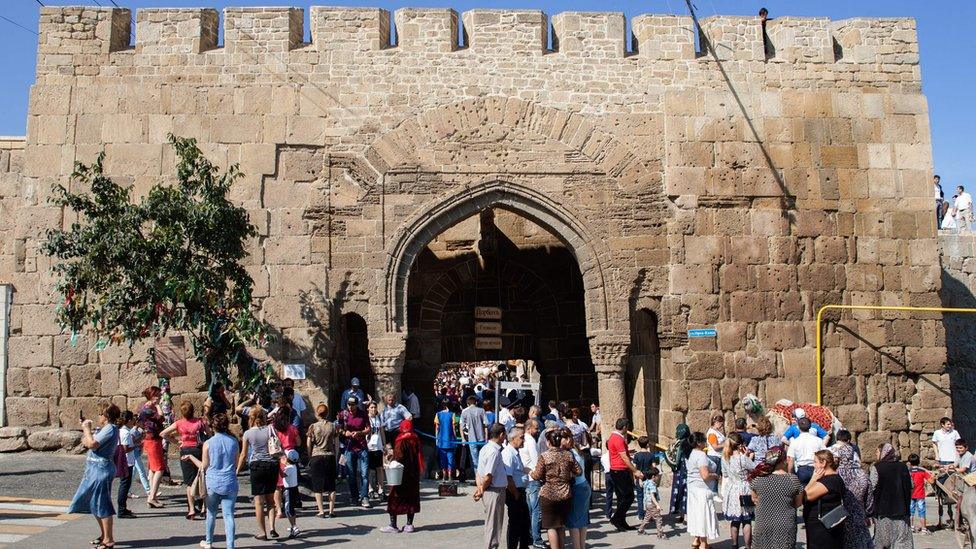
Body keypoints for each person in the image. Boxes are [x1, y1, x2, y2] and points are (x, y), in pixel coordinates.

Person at [181, 412, 239, 549]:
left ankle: (209, 542)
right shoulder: (234, 442)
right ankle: (230, 546)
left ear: (213, 427)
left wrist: (190, 457)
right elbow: (236, 463)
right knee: (229, 515)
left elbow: (203, 467)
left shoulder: (208, 443)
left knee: (211, 513)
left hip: (213, 482)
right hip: (230, 481)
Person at [70, 403, 121, 549]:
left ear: (106, 416)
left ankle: (109, 540)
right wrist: (87, 432)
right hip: (94, 469)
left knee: (102, 503)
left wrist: (86, 429)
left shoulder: (110, 428)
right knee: (94, 503)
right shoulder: (105, 429)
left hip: (101, 470)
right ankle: (104, 535)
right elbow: (86, 441)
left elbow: (91, 443)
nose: (98, 416)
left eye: (100, 414)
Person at [531, 427, 582, 549]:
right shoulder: (568, 455)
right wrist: (567, 475)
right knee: (561, 525)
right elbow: (579, 471)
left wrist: (530, 472)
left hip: (548, 494)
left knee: (551, 526)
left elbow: (537, 475)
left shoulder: (545, 456)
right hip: (565, 493)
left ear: (548, 442)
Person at [160, 400, 209, 520]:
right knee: (202, 477)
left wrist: (176, 442)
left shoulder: (179, 423)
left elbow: (163, 433)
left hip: (185, 450)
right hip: (198, 450)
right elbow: (209, 433)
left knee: (189, 481)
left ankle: (191, 509)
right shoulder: (200, 422)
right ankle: (204, 508)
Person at [748, 445, 803, 549]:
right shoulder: (793, 480)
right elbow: (798, 503)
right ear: (784, 460)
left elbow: (755, 500)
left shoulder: (757, 480)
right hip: (785, 524)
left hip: (763, 522)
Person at [237, 406, 278, 541]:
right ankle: (272, 527)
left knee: (259, 502)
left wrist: (237, 470)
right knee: (271, 501)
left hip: (256, 466)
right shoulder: (271, 429)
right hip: (271, 465)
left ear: (251, 418)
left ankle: (262, 532)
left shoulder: (248, 433)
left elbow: (243, 454)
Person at [869, 443, 914, 549]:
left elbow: (872, 488)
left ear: (883, 452)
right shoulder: (903, 467)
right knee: (902, 540)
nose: (876, 454)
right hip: (901, 509)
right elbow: (911, 485)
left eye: (877, 451)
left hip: (883, 510)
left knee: (883, 541)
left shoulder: (877, 468)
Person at [383, 418, 423, 533]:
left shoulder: (401, 440)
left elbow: (399, 457)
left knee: (394, 497)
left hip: (400, 475)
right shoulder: (415, 439)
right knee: (411, 498)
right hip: (413, 475)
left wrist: (391, 458)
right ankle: (409, 525)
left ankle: (393, 525)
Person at [473, 424, 509, 549]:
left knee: (492, 523)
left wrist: (480, 489)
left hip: (490, 490)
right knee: (493, 525)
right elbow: (488, 476)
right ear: (501, 435)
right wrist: (481, 490)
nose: (505, 437)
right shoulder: (494, 452)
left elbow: (479, 472)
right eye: (504, 435)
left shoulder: (485, 448)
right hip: (494, 491)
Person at [802, 450, 845, 549]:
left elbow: (805, 496)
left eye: (815, 462)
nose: (813, 465)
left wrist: (813, 479)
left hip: (822, 528)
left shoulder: (830, 480)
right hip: (821, 527)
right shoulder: (831, 479)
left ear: (823, 463)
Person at [607, 418, 644, 531]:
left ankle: (621, 522)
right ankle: (617, 518)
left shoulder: (613, 437)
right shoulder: (618, 439)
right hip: (620, 470)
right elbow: (623, 457)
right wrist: (634, 470)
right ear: (624, 427)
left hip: (616, 470)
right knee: (629, 497)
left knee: (621, 498)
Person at [722, 432, 756, 549]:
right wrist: (748, 456)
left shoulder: (725, 458)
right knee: (747, 520)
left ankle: (734, 544)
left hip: (732, 488)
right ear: (740, 444)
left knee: (735, 521)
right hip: (744, 488)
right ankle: (748, 546)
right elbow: (754, 469)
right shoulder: (743, 459)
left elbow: (725, 474)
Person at [835, 440, 873, 548]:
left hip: (840, 515)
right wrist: (868, 513)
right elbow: (869, 497)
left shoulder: (836, 473)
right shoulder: (862, 473)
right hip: (859, 513)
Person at [687, 431, 720, 547]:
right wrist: (715, 476)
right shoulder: (701, 455)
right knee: (703, 516)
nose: (706, 442)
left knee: (696, 514)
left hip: (694, 489)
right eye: (704, 440)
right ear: (699, 443)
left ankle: (696, 539)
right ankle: (703, 543)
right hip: (702, 490)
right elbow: (705, 475)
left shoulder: (693, 453)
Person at [338, 395, 371, 507]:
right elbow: (338, 428)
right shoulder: (343, 414)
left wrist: (360, 433)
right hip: (349, 447)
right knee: (351, 474)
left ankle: (365, 496)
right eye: (349, 404)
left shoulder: (363, 414)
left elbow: (368, 429)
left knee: (364, 473)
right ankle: (354, 496)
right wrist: (344, 433)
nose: (350, 407)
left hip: (362, 447)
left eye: (352, 405)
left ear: (357, 405)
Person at [307, 404, 339, 518]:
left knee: (317, 485)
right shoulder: (333, 426)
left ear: (317, 413)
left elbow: (308, 443)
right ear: (327, 413)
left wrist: (310, 455)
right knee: (331, 485)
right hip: (329, 455)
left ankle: (321, 511)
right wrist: (336, 456)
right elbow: (336, 444)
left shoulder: (313, 427)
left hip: (317, 456)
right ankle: (331, 510)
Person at [502, 426, 531, 548]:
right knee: (515, 524)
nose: (523, 440)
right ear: (513, 439)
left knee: (524, 523)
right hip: (515, 492)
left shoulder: (515, 452)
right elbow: (508, 478)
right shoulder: (508, 454)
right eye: (521, 438)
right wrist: (516, 494)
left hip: (520, 491)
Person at [138, 386, 166, 508]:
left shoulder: (148, 407)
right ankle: (152, 497)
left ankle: (152, 495)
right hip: (153, 440)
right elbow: (161, 417)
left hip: (152, 439)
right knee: (159, 468)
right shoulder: (148, 409)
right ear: (152, 396)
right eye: (157, 395)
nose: (159, 397)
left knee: (152, 469)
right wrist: (158, 405)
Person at [564, 428, 591, 549]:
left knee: (573, 522)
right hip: (584, 485)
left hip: (576, 487)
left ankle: (577, 546)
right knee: (582, 520)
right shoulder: (577, 450)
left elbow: (572, 473)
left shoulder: (569, 454)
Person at [521, 419, 545, 547]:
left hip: (526, 478)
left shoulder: (523, 439)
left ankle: (530, 536)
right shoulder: (530, 441)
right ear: (529, 428)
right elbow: (536, 461)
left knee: (530, 510)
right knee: (536, 511)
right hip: (533, 479)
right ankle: (536, 538)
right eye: (536, 428)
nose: (537, 431)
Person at [933, 417, 962, 525]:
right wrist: (937, 457)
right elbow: (934, 444)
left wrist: (958, 459)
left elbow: (958, 444)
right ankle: (939, 497)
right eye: (948, 424)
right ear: (942, 425)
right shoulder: (937, 433)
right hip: (943, 460)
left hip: (952, 460)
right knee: (940, 484)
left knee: (956, 483)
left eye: (950, 424)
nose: (950, 426)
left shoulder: (955, 433)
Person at [786, 417, 825, 483]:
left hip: (802, 471)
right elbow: (825, 454)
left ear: (798, 427)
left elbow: (791, 460)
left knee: (803, 492)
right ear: (810, 427)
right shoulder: (818, 440)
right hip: (816, 469)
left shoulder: (795, 442)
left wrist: (790, 475)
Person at [668, 423, 694, 521]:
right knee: (687, 492)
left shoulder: (678, 443)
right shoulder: (691, 442)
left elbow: (677, 458)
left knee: (679, 491)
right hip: (689, 470)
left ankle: (681, 515)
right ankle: (686, 515)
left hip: (679, 471)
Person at [116, 411, 138, 519]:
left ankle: (123, 508)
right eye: (133, 419)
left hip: (125, 461)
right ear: (129, 420)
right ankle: (121, 510)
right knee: (124, 485)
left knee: (125, 485)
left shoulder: (122, 431)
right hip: (126, 462)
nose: (134, 421)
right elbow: (125, 449)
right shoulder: (125, 433)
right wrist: (135, 446)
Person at [461, 395, 489, 477]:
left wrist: (463, 438)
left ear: (467, 404)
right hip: (481, 438)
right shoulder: (482, 411)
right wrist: (486, 438)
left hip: (471, 439)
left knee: (475, 460)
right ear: (476, 402)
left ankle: (478, 478)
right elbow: (486, 425)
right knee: (483, 459)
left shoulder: (465, 412)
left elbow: (462, 427)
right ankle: (483, 477)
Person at [637, 467, 667, 538]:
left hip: (647, 504)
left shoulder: (646, 482)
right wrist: (657, 505)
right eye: (657, 476)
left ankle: (640, 529)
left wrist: (640, 478)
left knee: (647, 518)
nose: (658, 477)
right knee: (658, 518)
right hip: (652, 504)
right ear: (653, 476)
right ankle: (660, 534)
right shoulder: (652, 484)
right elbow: (652, 496)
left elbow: (641, 484)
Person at [277, 449, 301, 538]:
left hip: (289, 490)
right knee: (291, 508)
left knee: (288, 509)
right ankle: (292, 525)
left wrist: (279, 466)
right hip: (293, 488)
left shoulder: (289, 468)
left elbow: (282, 475)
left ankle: (294, 528)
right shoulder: (294, 466)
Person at [907, 453, 933, 534]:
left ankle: (911, 527)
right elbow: (931, 481)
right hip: (920, 494)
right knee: (922, 511)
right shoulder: (922, 471)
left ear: (909, 462)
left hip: (910, 494)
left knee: (911, 512)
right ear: (919, 462)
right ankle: (924, 529)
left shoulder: (908, 472)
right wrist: (933, 476)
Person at [366, 401, 386, 500]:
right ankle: (370, 489)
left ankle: (381, 490)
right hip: (369, 447)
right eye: (372, 407)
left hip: (378, 447)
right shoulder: (366, 419)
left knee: (379, 468)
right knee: (370, 470)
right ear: (368, 409)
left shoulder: (379, 418)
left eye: (375, 407)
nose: (373, 409)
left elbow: (382, 432)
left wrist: (384, 445)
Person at [435, 399, 458, 481]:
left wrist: (436, 439)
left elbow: (437, 428)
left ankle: (444, 475)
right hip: (450, 440)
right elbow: (454, 429)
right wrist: (455, 439)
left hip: (441, 441)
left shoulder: (438, 414)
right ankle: (450, 475)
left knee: (443, 458)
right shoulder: (453, 414)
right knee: (450, 458)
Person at [632, 436, 655, 521]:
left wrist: (635, 478)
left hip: (639, 478)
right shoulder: (651, 455)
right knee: (649, 497)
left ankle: (641, 515)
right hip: (648, 478)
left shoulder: (637, 455)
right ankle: (650, 515)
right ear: (647, 444)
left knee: (640, 497)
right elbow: (654, 467)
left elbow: (634, 468)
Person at [705, 414, 726, 479]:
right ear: (716, 422)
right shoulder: (712, 433)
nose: (722, 425)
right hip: (714, 457)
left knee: (717, 478)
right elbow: (715, 447)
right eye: (721, 423)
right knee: (715, 478)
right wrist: (726, 444)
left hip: (719, 456)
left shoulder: (716, 431)